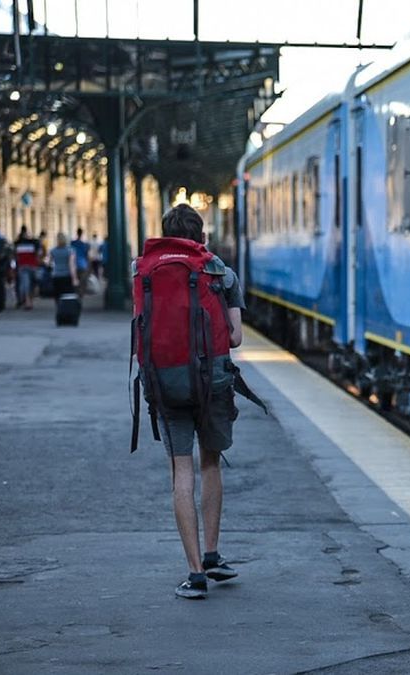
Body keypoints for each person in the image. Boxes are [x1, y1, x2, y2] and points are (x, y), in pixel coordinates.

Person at [137, 204, 246, 600]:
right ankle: (214, 553)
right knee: (210, 461)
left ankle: (195, 572)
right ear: (201, 236)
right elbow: (234, 338)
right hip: (211, 380)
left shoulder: (143, 270)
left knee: (180, 472)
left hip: (164, 382)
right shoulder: (220, 271)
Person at [13, 226, 42, 310]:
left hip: (22, 266)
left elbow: (15, 255)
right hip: (32, 266)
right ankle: (28, 302)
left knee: (25, 284)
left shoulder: (17, 243)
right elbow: (38, 254)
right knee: (30, 284)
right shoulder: (34, 242)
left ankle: (26, 301)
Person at [48, 232, 78, 297]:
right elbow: (71, 265)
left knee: (57, 295)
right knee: (67, 296)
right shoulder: (70, 250)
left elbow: (49, 263)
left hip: (56, 275)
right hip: (67, 276)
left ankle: (59, 306)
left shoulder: (53, 250)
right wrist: (74, 278)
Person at [70, 228, 91, 293]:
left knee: (75, 281)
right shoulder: (85, 245)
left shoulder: (72, 243)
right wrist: (89, 266)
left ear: (77, 233)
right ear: (82, 234)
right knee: (82, 282)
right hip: (82, 265)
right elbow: (87, 256)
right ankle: (80, 295)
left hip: (74, 265)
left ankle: (76, 293)